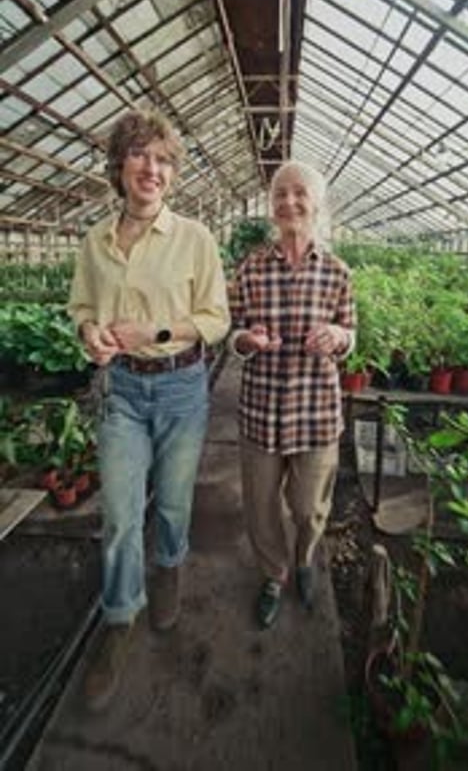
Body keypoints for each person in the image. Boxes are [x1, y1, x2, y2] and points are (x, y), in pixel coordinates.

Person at [68, 108, 230, 710]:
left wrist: (157, 333)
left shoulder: (195, 239)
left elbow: (216, 319)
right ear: (120, 165)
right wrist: (91, 334)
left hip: (182, 385)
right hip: (122, 392)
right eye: (140, 155)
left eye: (163, 159)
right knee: (116, 513)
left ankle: (170, 566)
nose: (152, 168)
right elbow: (81, 308)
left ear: (173, 172)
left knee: (173, 502)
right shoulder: (94, 242)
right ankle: (118, 619)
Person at [230, 160, 356, 629]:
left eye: (299, 193)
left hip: (316, 412)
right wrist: (248, 340)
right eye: (280, 194)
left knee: (308, 507)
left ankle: (304, 557)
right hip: (262, 408)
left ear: (317, 203)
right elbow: (234, 332)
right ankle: (273, 574)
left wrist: (338, 337)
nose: (289, 202)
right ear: (271, 206)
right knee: (260, 506)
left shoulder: (338, 273)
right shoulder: (252, 269)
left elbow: (352, 333)